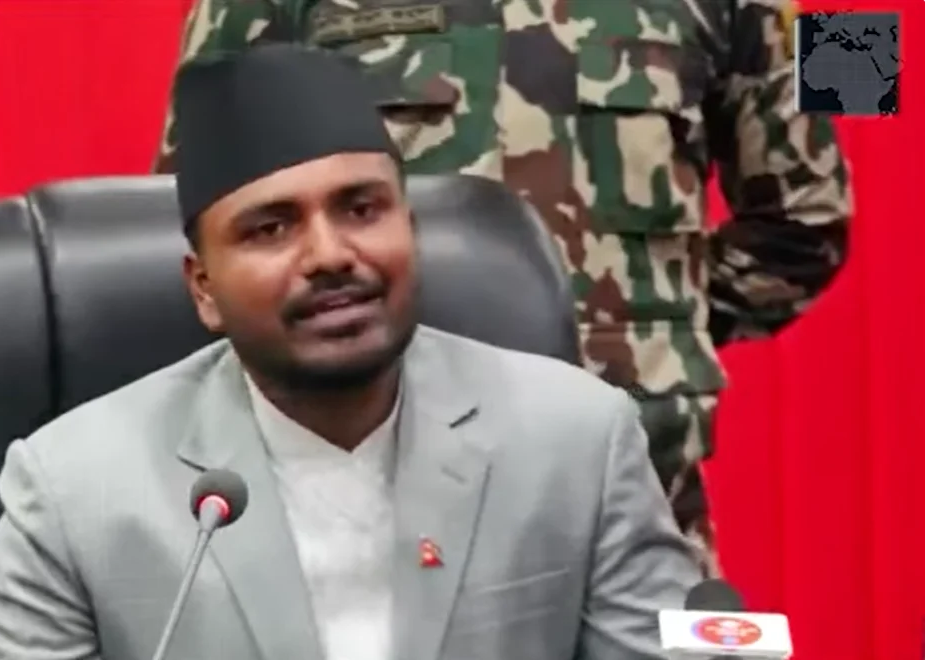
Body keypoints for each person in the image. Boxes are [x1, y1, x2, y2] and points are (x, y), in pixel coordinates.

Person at [0, 44, 700, 660]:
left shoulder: (579, 440)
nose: (330, 254)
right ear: (204, 288)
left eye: (362, 209)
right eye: (271, 229)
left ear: (412, 230)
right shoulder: (76, 490)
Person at [152, 0, 854, 577]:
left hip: (635, 499)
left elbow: (814, 220)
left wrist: (659, 338)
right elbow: (199, 212)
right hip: (357, 495)